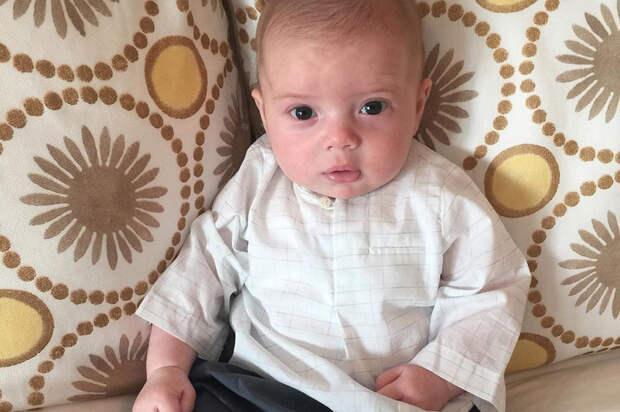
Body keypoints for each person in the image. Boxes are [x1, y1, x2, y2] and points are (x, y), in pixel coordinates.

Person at [132, 0, 530, 411]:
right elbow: (203, 269)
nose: (340, 138)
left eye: (372, 107)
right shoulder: (260, 179)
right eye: (303, 112)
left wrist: (441, 375)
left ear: (417, 104)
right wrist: (166, 370)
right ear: (265, 112)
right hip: (265, 387)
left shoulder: (439, 192)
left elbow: (491, 289)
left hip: (393, 397)